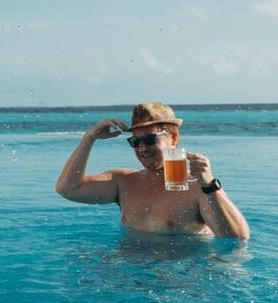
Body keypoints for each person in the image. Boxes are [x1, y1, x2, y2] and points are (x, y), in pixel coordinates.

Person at [54, 102, 249, 238]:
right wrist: (89, 138)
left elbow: (237, 238)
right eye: (135, 141)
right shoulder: (123, 182)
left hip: (177, 279)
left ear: (173, 138)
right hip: (131, 273)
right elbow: (67, 189)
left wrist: (209, 184)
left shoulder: (198, 188)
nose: (142, 148)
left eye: (149, 139)